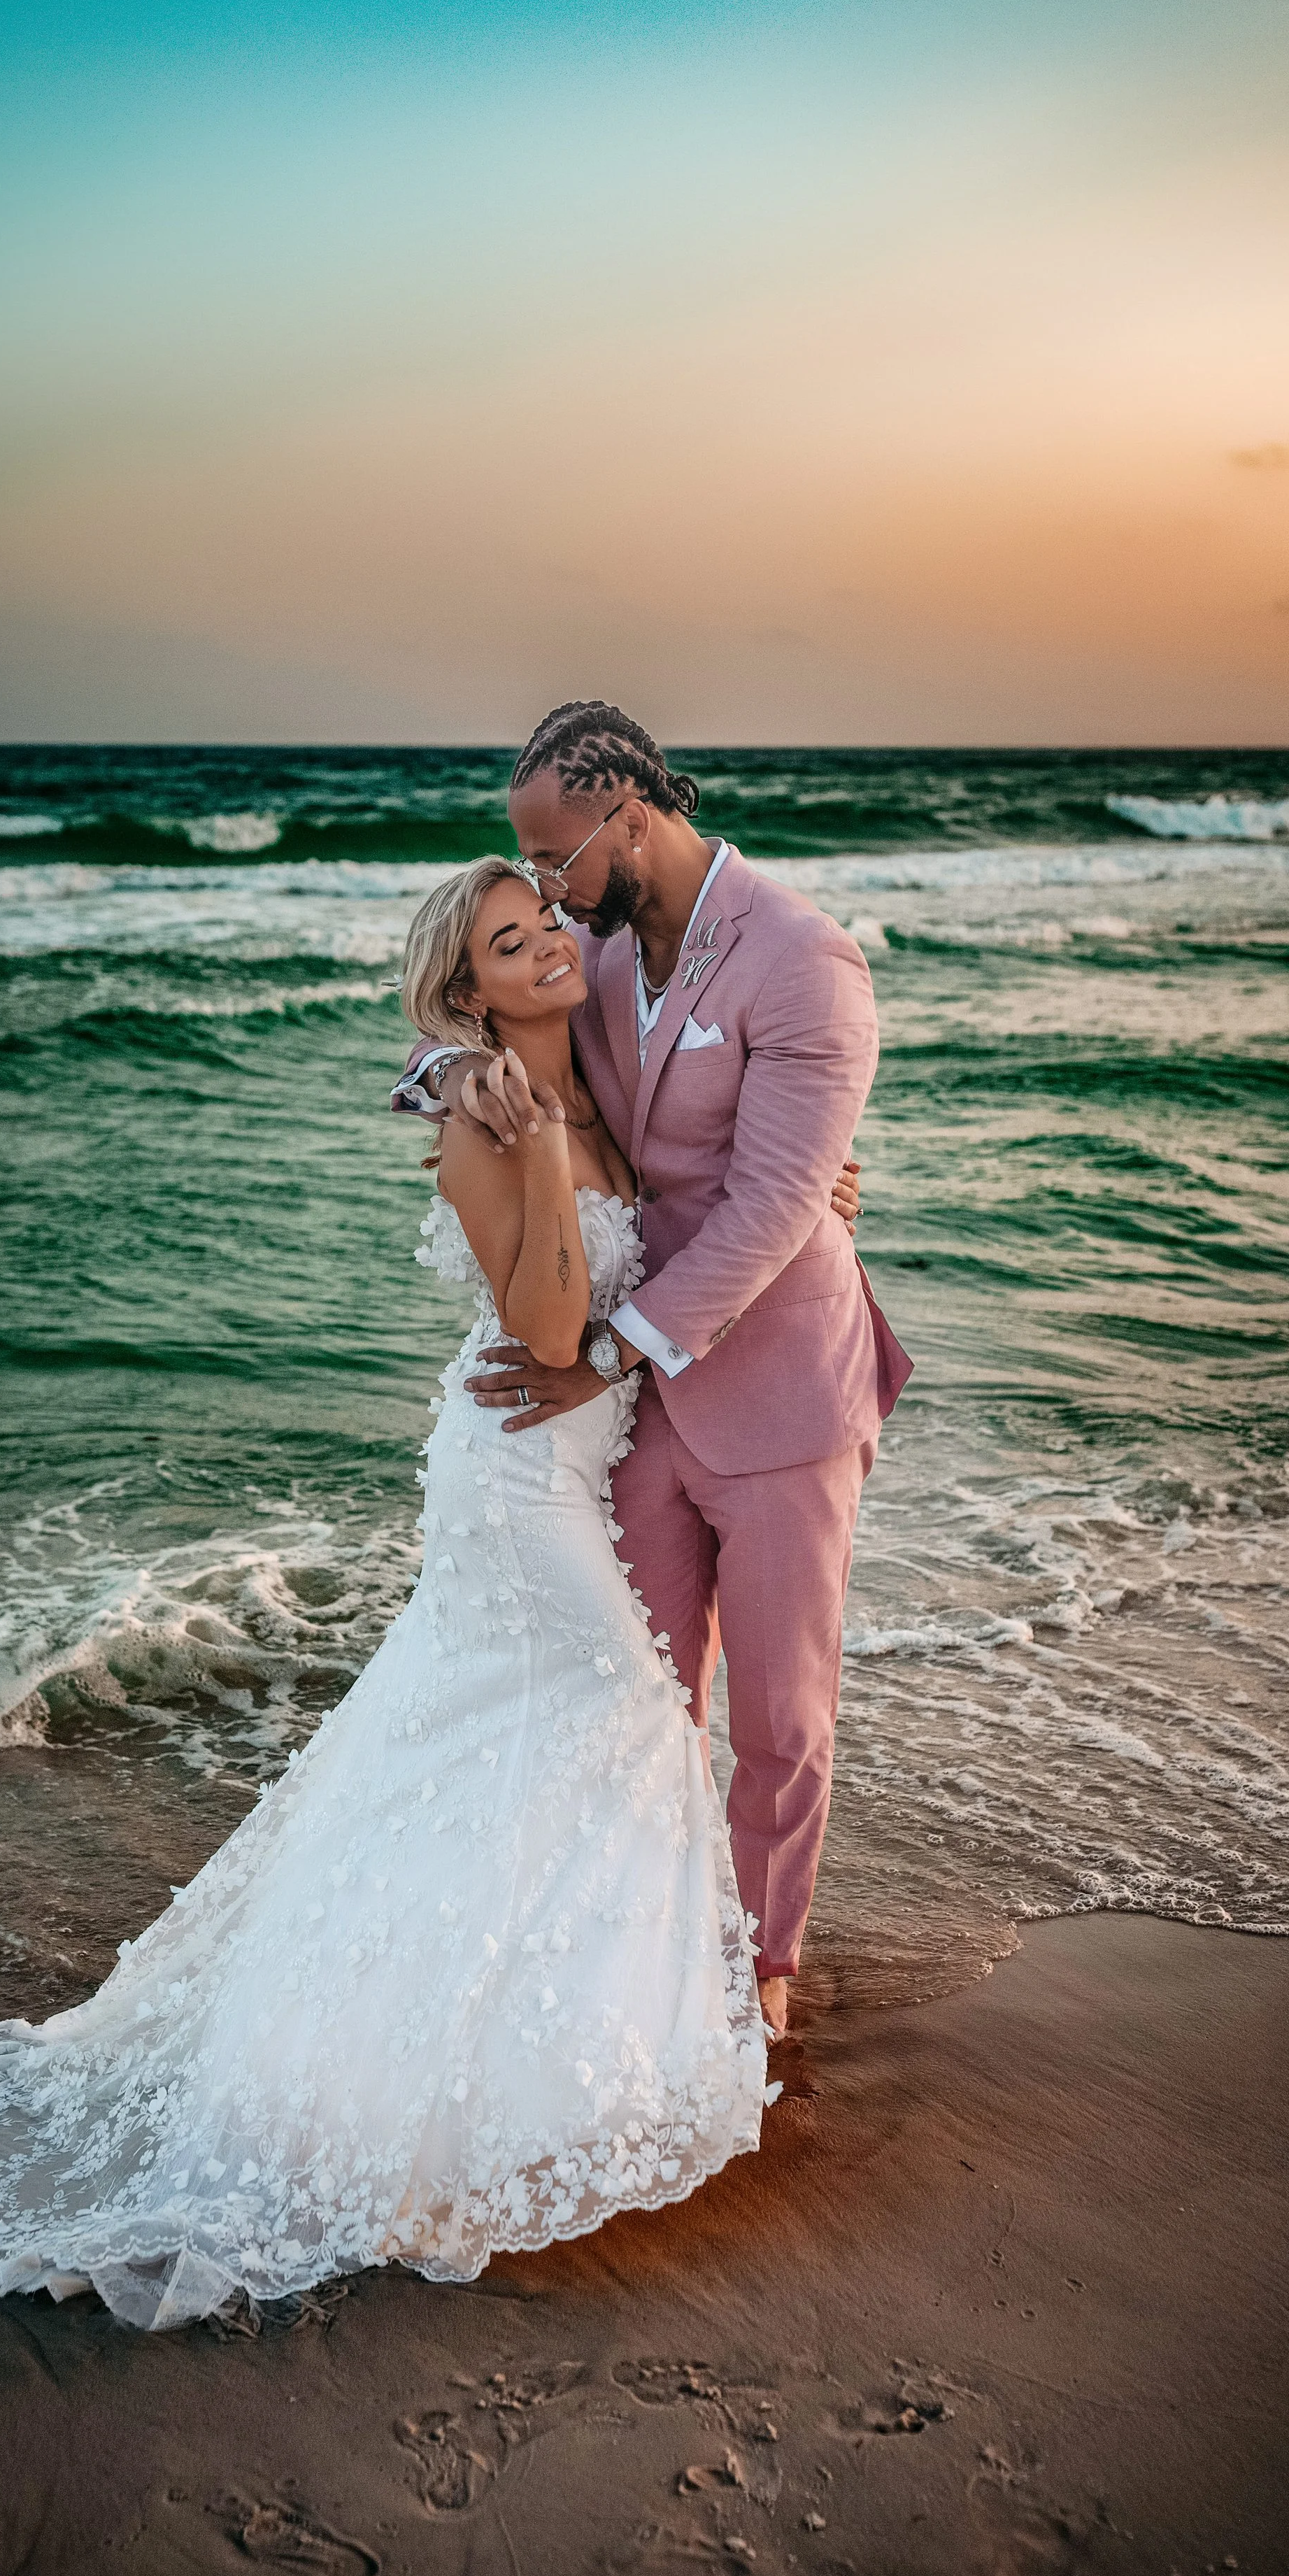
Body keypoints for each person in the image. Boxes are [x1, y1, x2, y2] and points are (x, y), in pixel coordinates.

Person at [0, 856, 770, 2332]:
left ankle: (502, 2064)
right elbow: (552, 1323)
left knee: (486, 1745)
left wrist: (793, 1178)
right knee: (615, 1716)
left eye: (549, 924)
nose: (550, 949)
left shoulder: (590, 1084)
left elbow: (693, 1192)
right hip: (511, 1480)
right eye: (510, 945)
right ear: (469, 989)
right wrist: (530, 1139)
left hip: (563, 1469)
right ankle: (420, 2101)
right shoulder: (476, 1110)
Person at [396, 702, 911, 2037]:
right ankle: (648, 1956)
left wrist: (610, 1349)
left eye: (557, 861)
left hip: (778, 1384)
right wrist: (455, 1075)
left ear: (631, 815)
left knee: (782, 1717)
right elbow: (478, 993)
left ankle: (765, 1977)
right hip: (636, 1410)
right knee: (641, 1694)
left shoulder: (805, 959)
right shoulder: (600, 948)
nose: (552, 900)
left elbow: (772, 1205)